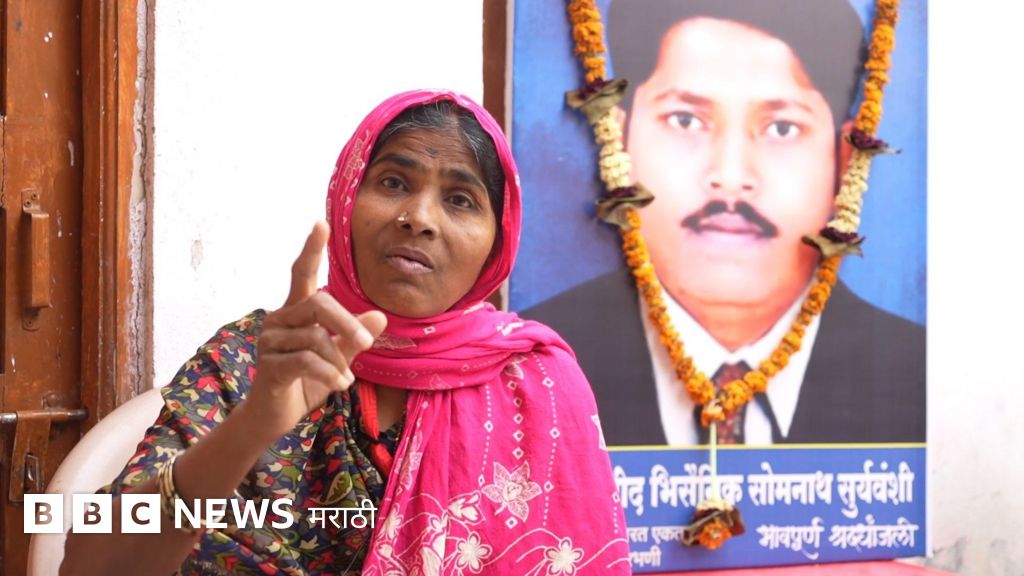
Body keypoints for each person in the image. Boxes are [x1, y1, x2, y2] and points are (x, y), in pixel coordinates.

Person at [62, 91, 631, 575]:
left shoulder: (535, 383)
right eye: (393, 182)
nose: (419, 218)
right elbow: (88, 565)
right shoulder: (255, 359)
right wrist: (255, 423)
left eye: (460, 200)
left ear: (496, 242)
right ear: (347, 196)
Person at [521, 0, 925, 446]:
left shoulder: (914, 372)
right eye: (686, 120)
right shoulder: (532, 367)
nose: (730, 179)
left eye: (782, 128)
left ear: (844, 161)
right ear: (618, 142)